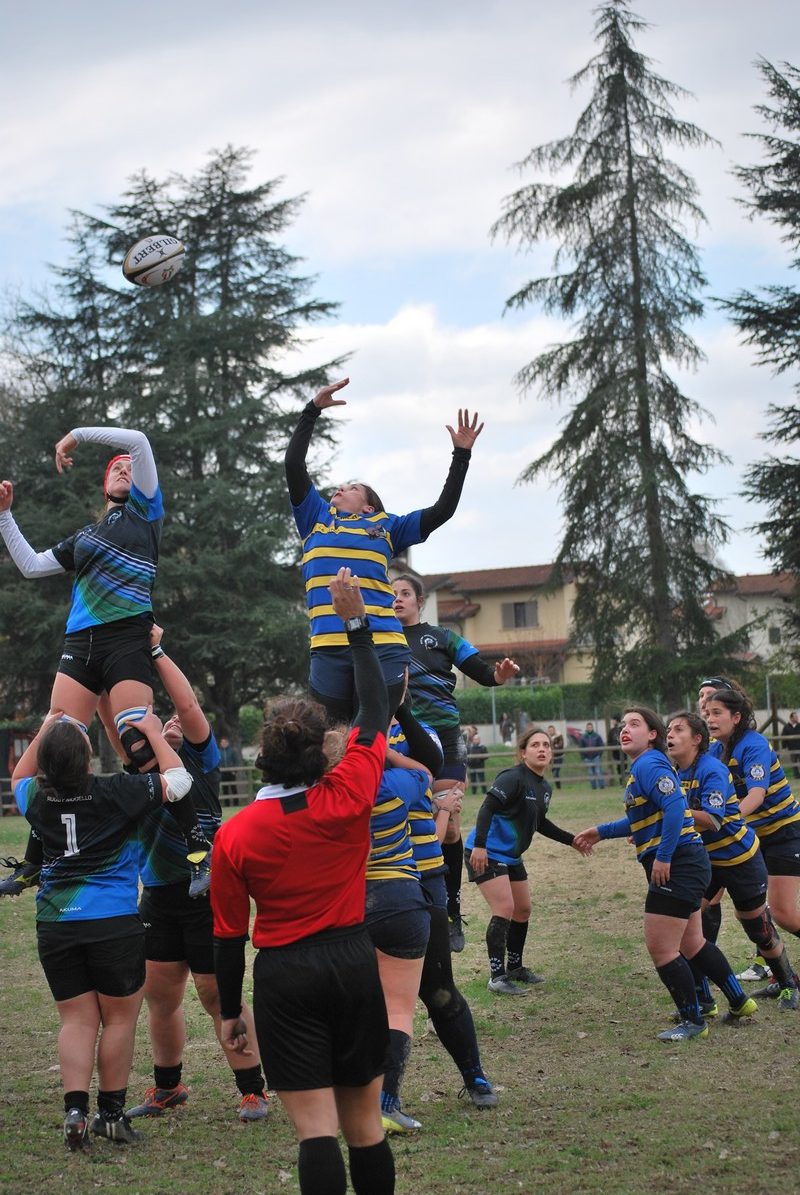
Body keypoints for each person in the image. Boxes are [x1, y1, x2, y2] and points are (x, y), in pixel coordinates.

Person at [211, 570, 396, 1195]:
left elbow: (228, 936)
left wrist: (231, 1011)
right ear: (323, 752)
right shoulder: (348, 794)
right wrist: (356, 625)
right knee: (364, 1128)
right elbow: (376, 708)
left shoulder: (236, 834)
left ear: (263, 755)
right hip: (351, 961)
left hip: (285, 976)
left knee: (316, 1133)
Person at [0, 426, 211, 896]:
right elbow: (31, 566)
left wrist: (75, 435)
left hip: (125, 640)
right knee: (57, 742)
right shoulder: (86, 536)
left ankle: (199, 849)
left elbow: (138, 441)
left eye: (129, 467)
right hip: (80, 643)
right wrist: (5, 516)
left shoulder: (146, 512)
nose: (124, 467)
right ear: (104, 484)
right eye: (116, 467)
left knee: (139, 742)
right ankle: (34, 862)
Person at [11, 709, 194, 1149]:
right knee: (119, 1021)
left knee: (76, 1020)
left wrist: (50, 725)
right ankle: (110, 1116)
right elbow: (179, 781)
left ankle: (75, 1111)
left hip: (56, 924)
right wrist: (153, 732)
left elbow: (20, 773)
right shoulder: (116, 791)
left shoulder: (33, 797)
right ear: (88, 756)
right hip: (113, 924)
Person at [117, 628, 269, 1123]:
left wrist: (156, 650)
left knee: (216, 994)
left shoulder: (201, 762)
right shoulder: (141, 775)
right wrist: (103, 668)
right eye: (154, 727)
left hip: (208, 894)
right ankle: (168, 1087)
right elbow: (113, 720)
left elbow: (188, 707)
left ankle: (253, 1090)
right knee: (161, 997)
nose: (167, 725)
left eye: (168, 724)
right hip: (159, 897)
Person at [285, 377, 483, 724]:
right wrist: (311, 411)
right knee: (333, 740)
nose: (340, 487)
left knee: (372, 735)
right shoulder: (315, 516)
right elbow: (293, 465)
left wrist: (461, 455)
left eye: (352, 486)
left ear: (368, 506)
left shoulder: (387, 526)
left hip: (382, 644)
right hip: (328, 646)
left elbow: (443, 510)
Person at [574, 707, 751, 1042]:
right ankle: (739, 1001)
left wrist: (664, 856)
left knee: (662, 948)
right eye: (623, 724)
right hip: (689, 861)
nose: (625, 729)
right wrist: (601, 831)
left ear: (652, 734)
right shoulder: (646, 766)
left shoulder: (649, 764)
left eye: (635, 724)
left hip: (679, 863)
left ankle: (693, 1020)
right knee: (692, 943)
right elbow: (643, 817)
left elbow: (674, 807)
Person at [392, 573, 519, 953]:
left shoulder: (443, 637)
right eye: (391, 593)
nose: (397, 599)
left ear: (420, 601)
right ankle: (413, 902)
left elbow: (483, 672)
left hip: (446, 739)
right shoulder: (380, 638)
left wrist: (499, 675)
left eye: (404, 593)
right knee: (409, 821)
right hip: (402, 739)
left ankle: (450, 911)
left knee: (447, 826)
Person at [388, 710, 498, 1111]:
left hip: (424, 874)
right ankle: (380, 1096)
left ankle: (474, 1074)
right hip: (372, 880)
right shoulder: (343, 734)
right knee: (372, 996)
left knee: (438, 987)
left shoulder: (420, 734)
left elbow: (428, 768)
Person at [667, 709, 798, 1014]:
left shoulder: (717, 766)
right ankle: (705, 1000)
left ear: (696, 739)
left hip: (743, 858)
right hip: (707, 861)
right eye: (668, 729)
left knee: (759, 929)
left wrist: (672, 815)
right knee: (686, 925)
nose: (669, 735)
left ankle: (788, 983)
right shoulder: (677, 771)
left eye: (678, 729)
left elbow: (716, 818)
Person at [465, 727, 588, 995]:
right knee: (504, 908)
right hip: (486, 851)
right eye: (535, 745)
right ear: (523, 753)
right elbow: (487, 808)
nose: (542, 749)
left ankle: (515, 968)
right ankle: (497, 977)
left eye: (546, 745)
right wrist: (480, 845)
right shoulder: (512, 778)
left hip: (511, 856)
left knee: (523, 910)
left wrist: (571, 840)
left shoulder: (544, 788)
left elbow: (539, 822)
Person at [704, 687, 800, 1009]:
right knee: (751, 912)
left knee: (783, 913)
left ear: (736, 717)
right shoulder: (715, 751)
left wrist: (724, 821)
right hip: (751, 837)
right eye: (707, 713)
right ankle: (786, 980)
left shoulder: (753, 745)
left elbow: (756, 795)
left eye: (716, 713)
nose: (709, 718)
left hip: (784, 833)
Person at [579, 722, 605, 789]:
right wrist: (583, 757)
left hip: (596, 756)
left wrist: (599, 754)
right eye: (588, 727)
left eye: (590, 727)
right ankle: (594, 786)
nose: (589, 728)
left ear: (592, 728)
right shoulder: (583, 737)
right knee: (590, 772)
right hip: (587, 757)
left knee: (598, 771)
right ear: (586, 728)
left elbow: (601, 745)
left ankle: (601, 786)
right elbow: (581, 747)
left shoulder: (597, 736)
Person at [781, 711, 800, 780]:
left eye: (797, 717)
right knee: (794, 762)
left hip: (799, 747)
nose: (797, 718)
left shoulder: (799, 725)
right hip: (792, 748)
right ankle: (796, 776)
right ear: (791, 718)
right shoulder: (786, 727)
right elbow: (783, 738)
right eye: (795, 717)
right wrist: (784, 747)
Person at [607, 715, 625, 785]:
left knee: (624, 766)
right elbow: (609, 741)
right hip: (616, 752)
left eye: (613, 720)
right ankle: (621, 782)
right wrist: (612, 747)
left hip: (623, 751)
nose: (612, 721)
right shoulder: (612, 731)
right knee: (619, 766)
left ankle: (625, 780)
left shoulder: (622, 729)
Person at [547, 725, 565, 790]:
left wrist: (553, 746)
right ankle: (555, 788)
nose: (550, 731)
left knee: (555, 773)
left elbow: (560, 745)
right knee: (552, 773)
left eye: (552, 730)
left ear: (554, 730)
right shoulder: (547, 738)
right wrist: (554, 745)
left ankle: (558, 787)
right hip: (551, 758)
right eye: (549, 730)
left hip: (559, 757)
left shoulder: (559, 736)